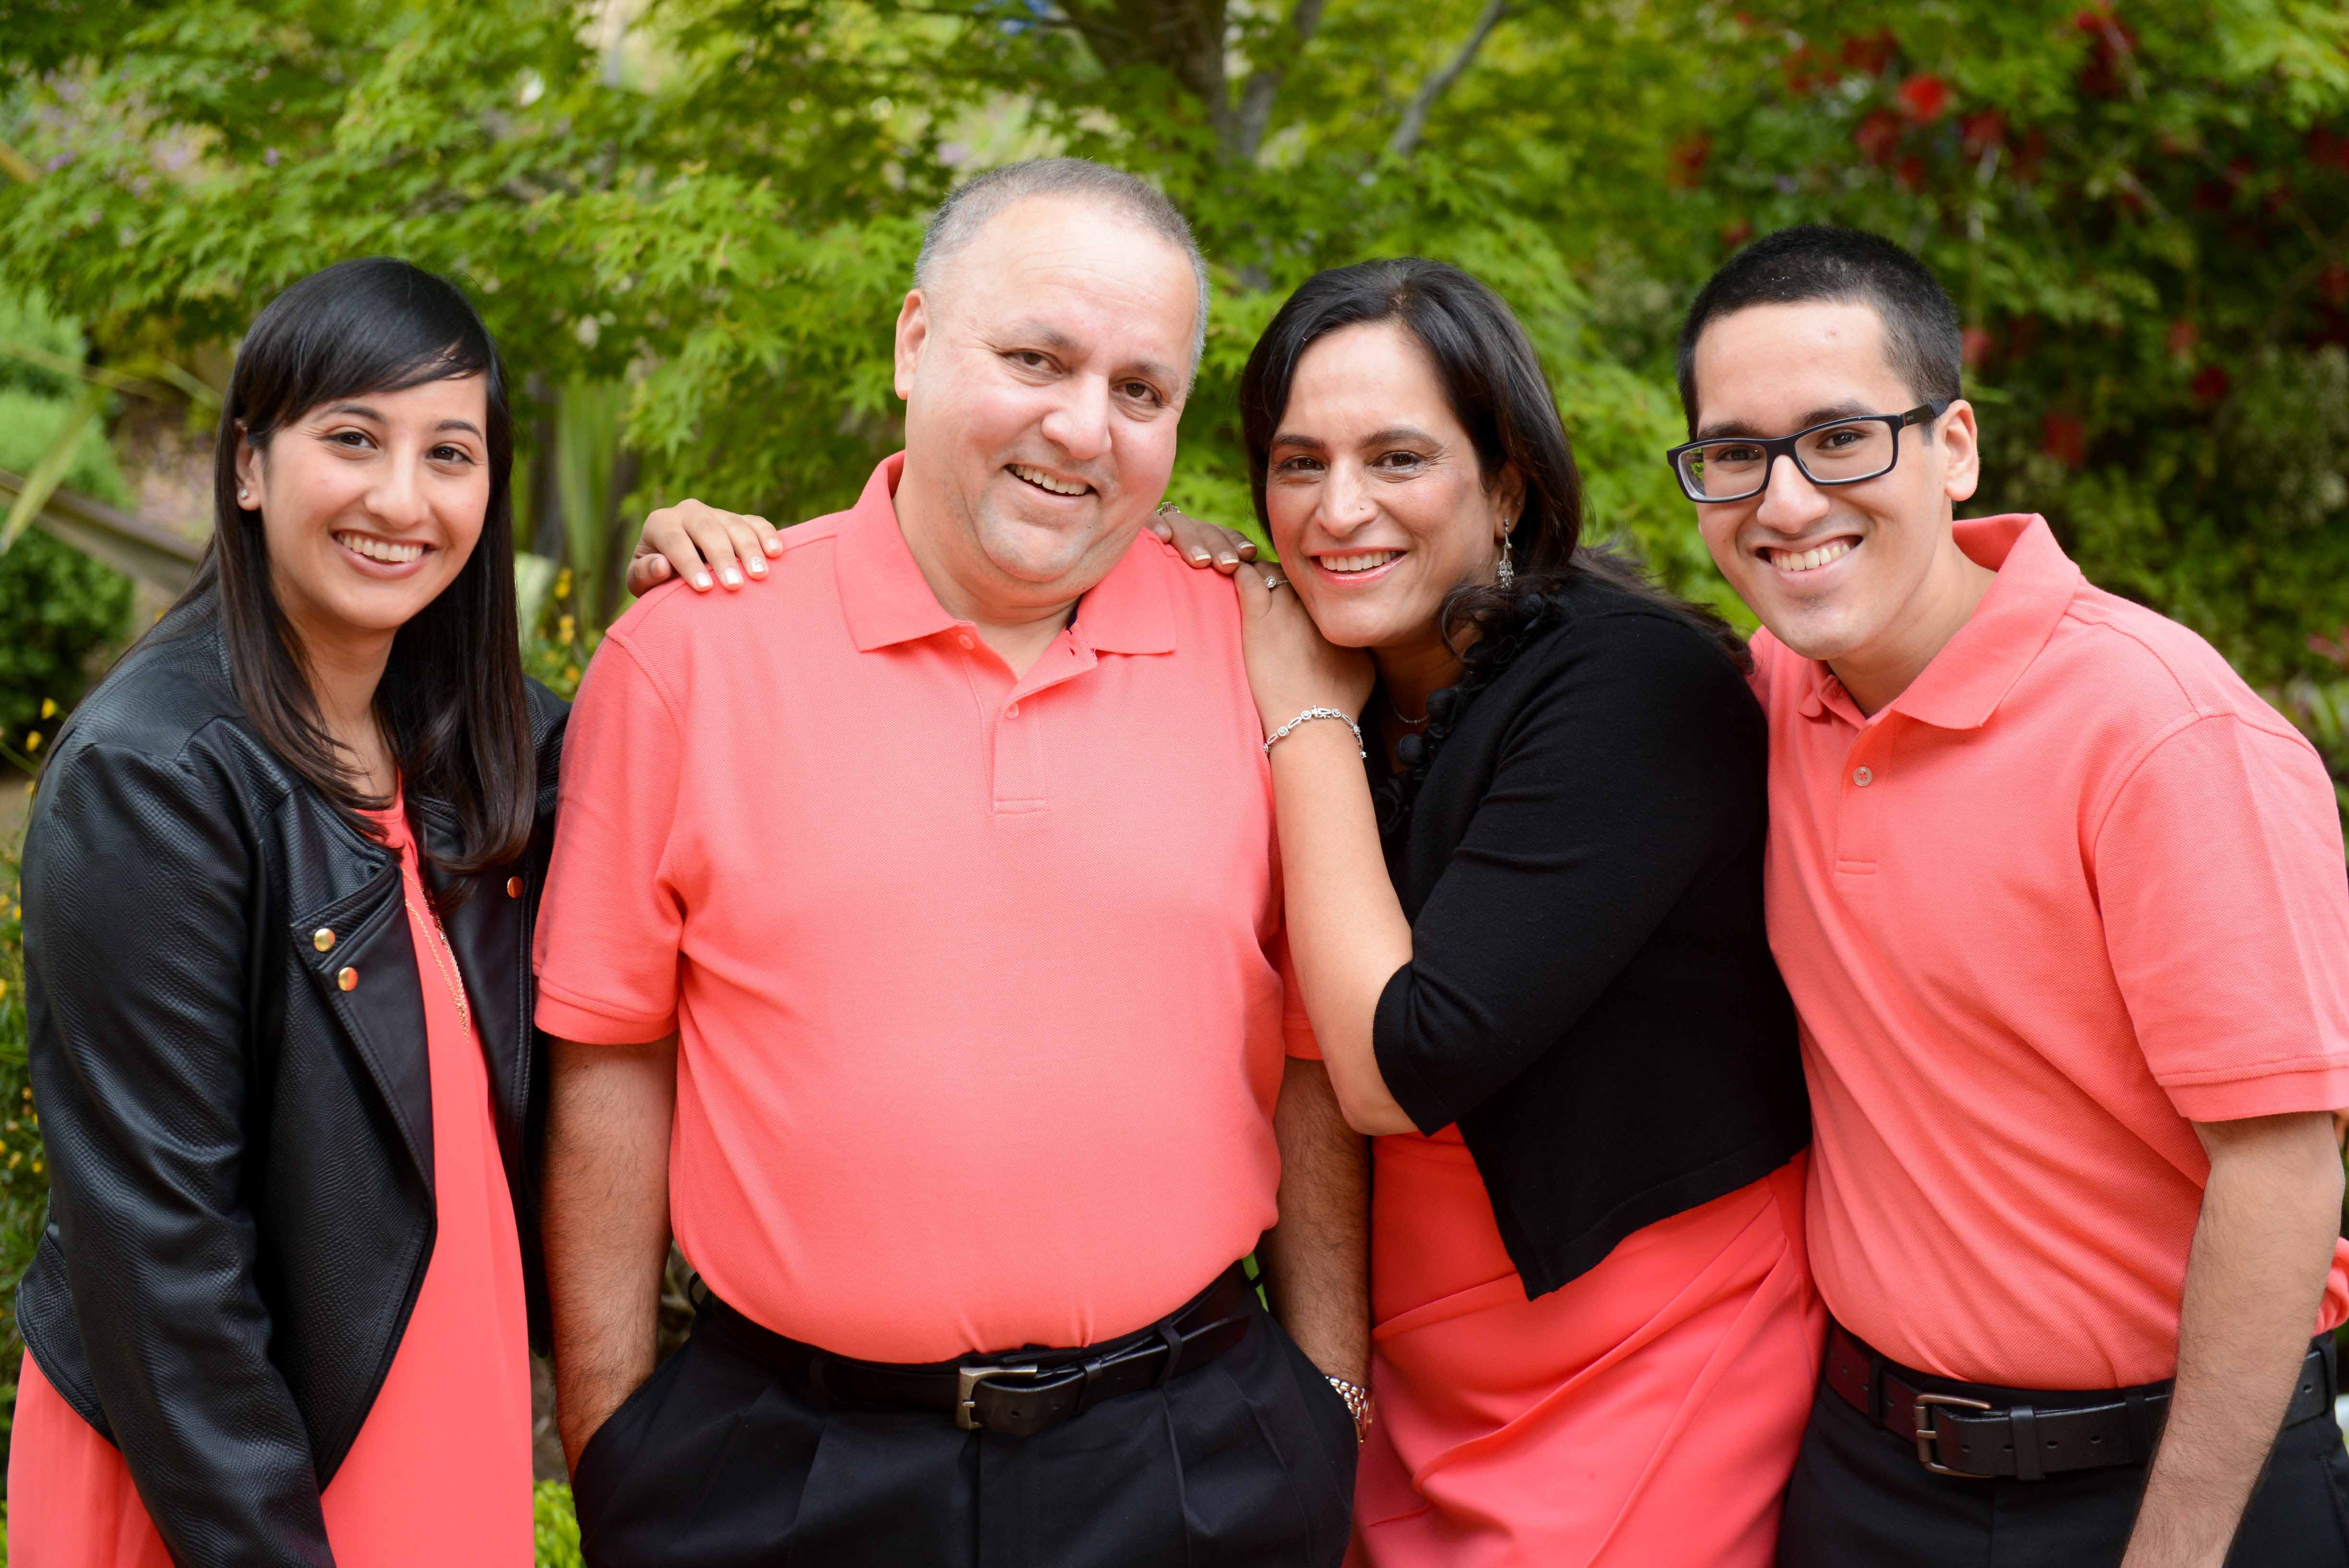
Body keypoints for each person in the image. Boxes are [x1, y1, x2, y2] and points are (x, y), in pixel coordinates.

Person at [535, 157, 1366, 1568]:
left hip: (1190, 1458)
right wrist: (612, 1435)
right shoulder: (690, 653)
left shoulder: (1262, 647)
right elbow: (612, 1054)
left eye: (1140, 391)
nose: (1082, 427)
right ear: (916, 339)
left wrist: (1332, 1402)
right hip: (784, 1471)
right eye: (1036, 357)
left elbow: (1311, 1048)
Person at [1664, 225, 2349, 1568]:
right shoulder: (1773, 692)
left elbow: (2283, 1169)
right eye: (1735, 453)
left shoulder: (2160, 731)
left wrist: (2178, 1550)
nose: (1786, 500)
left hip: (2167, 1482)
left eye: (1842, 437)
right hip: (1865, 1470)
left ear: (1956, 447)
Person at [1136, 258, 1819, 1566]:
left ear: (1507, 483)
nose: (1338, 509)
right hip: (1402, 1344)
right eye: (1297, 464)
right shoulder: (1328, 669)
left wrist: (1305, 711)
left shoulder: (1629, 680)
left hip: (1645, 1337)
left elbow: (1407, 1058)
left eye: (1399, 458)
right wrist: (714, 548)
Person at [9, 259, 559, 1568]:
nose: (400, 499)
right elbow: (159, 1257)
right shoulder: (155, 771)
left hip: (440, 1404)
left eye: (450, 452)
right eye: (353, 439)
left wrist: (709, 563)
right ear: (249, 464)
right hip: (228, 1469)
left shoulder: (475, 748)